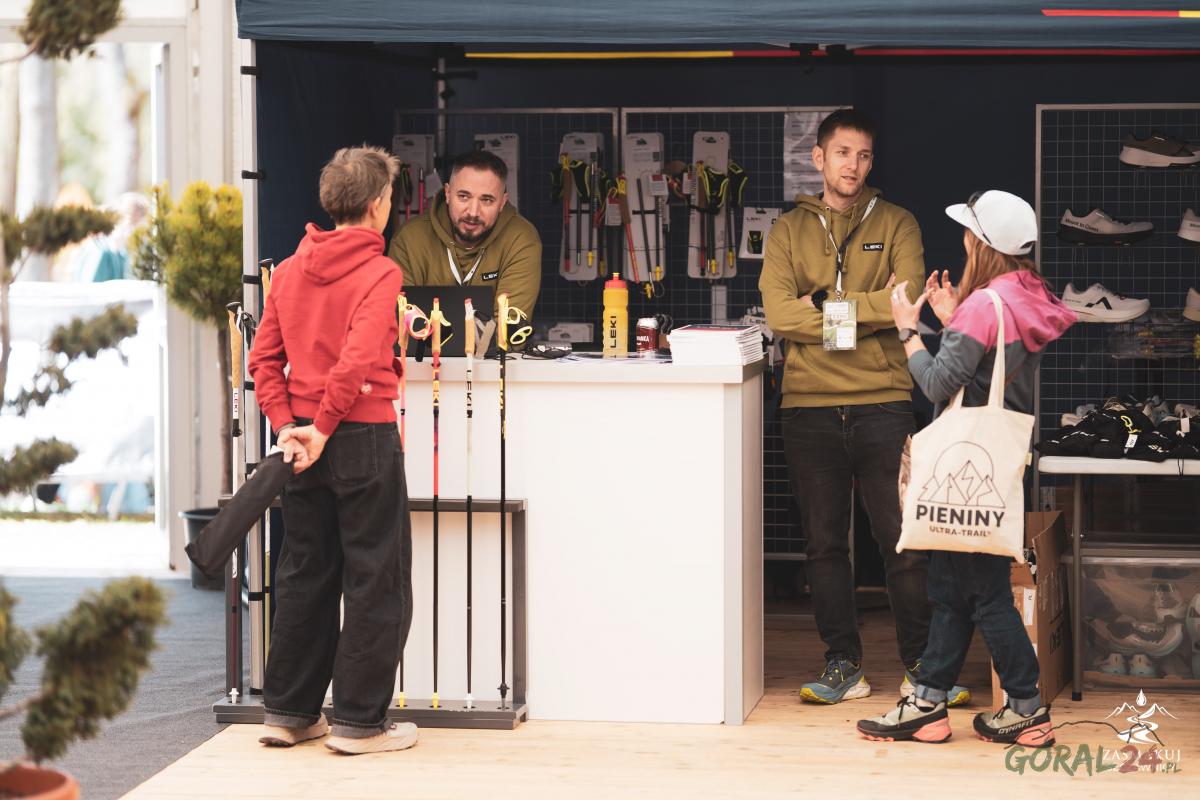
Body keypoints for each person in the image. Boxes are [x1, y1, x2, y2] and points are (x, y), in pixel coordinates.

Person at [759, 108, 965, 706]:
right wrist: (865, 311)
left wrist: (821, 306)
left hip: (884, 401)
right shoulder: (787, 230)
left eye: (865, 155)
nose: (854, 165)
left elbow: (907, 302)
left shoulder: (897, 221)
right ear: (818, 157)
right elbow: (780, 315)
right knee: (823, 546)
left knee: (902, 541)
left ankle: (922, 667)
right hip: (808, 405)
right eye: (843, 153)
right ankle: (842, 665)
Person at [856, 189, 1075, 746]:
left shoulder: (984, 306)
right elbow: (990, 366)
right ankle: (927, 702)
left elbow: (936, 384)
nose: (964, 240)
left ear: (984, 244)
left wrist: (908, 330)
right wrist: (954, 322)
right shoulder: (1022, 296)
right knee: (950, 588)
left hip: (964, 464)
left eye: (970, 233)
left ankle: (1026, 707)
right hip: (994, 463)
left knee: (983, 592)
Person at [247, 145, 416, 755]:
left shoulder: (290, 270)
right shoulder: (381, 271)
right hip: (361, 436)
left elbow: (263, 360)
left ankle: (288, 714)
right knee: (377, 579)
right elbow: (359, 359)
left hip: (301, 443)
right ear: (377, 205)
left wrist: (287, 425)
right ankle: (358, 724)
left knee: (304, 575)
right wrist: (321, 427)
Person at [388, 149, 542, 320]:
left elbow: (509, 325)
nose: (473, 212)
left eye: (487, 200)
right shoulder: (409, 238)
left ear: (502, 202)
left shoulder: (521, 239)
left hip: (489, 340)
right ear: (447, 193)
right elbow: (401, 320)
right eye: (463, 196)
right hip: (422, 339)